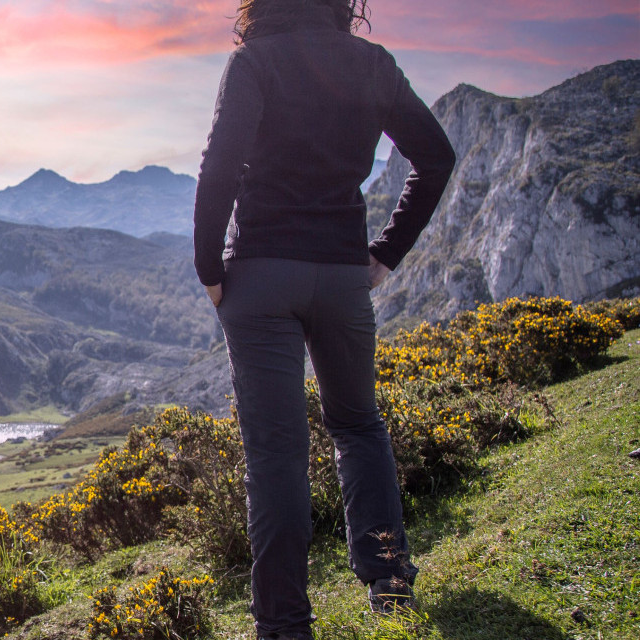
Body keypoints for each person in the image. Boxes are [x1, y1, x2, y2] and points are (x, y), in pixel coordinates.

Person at [191, 1, 456, 638]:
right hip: (341, 275)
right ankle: (390, 583)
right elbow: (436, 158)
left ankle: (283, 624)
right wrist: (385, 255)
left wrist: (209, 269)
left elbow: (220, 165)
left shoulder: (253, 62)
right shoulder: (373, 64)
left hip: (259, 272)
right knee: (359, 425)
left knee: (276, 450)